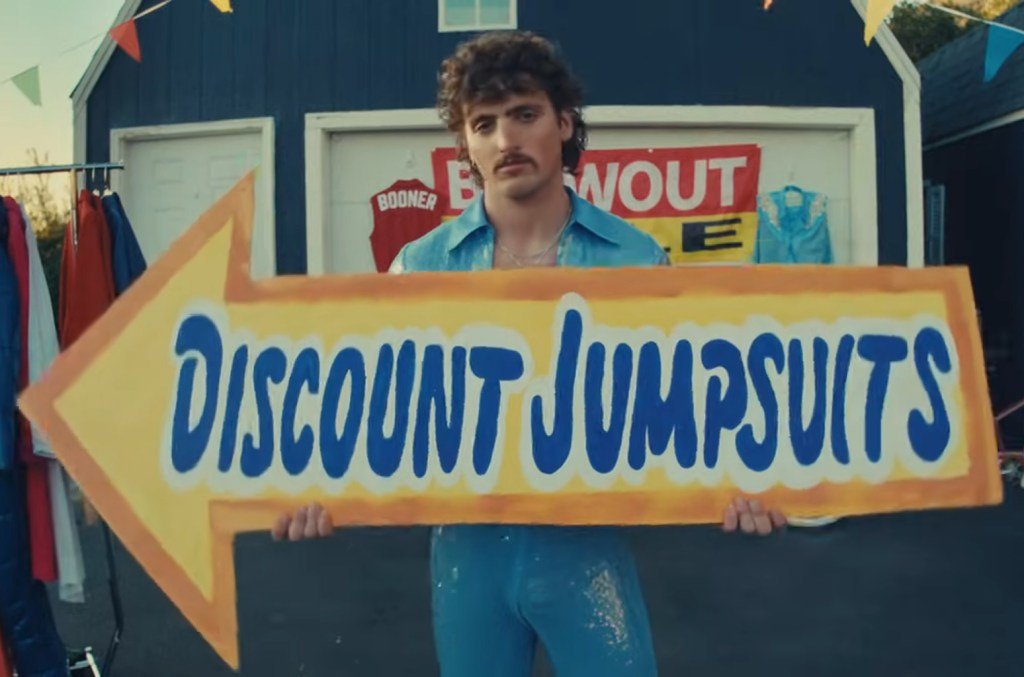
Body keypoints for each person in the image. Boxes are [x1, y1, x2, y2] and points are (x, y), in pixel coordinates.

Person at [274, 31, 787, 676]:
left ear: (563, 123)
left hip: (587, 554)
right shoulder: (419, 267)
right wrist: (312, 484)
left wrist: (741, 481)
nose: (505, 140)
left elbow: (688, 400)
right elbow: (372, 403)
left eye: (524, 114)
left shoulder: (635, 259)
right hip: (466, 558)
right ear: (465, 144)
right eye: (483, 124)